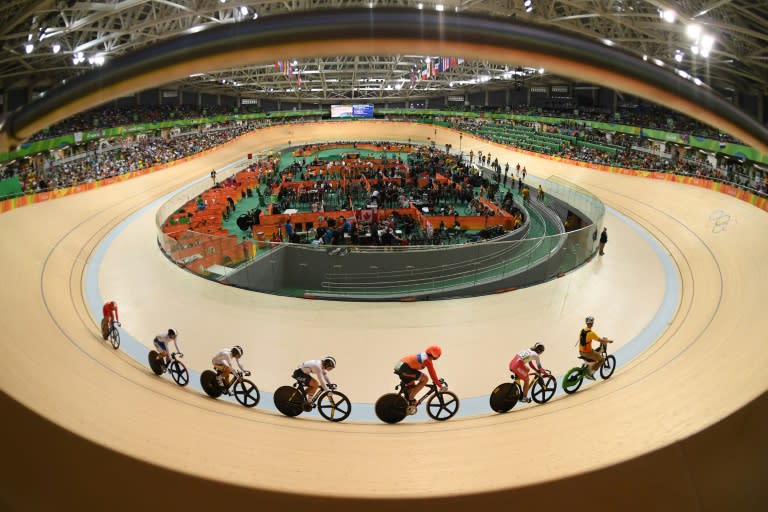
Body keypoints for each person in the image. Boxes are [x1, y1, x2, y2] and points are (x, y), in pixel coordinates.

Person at [394, 345, 445, 413]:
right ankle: (411, 399)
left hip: (401, 366)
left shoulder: (424, 355)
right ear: (436, 356)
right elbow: (433, 374)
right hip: (404, 368)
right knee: (425, 379)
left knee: (412, 387)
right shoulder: (427, 360)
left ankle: (408, 402)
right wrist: (440, 386)